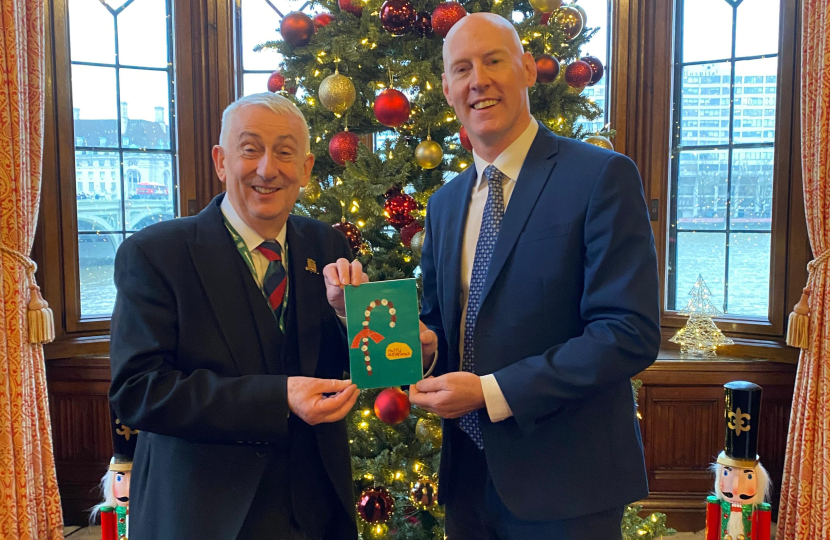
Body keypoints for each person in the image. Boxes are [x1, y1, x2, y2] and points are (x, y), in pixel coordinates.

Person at [409, 12, 661, 540]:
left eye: (494, 60)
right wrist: (417, 342)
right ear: (447, 89)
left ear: (527, 68)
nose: (478, 79)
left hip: (568, 486)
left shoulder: (600, 177)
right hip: (467, 485)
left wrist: (489, 392)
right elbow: (437, 327)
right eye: (462, 69)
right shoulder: (445, 203)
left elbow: (627, 334)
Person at [109, 92, 369, 540]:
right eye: (250, 149)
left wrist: (353, 320)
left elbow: (351, 366)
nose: (267, 169)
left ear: (305, 169)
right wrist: (277, 398)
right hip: (202, 515)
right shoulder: (156, 254)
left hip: (317, 511)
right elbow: (138, 392)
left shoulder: (328, 246)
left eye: (285, 152)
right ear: (220, 161)